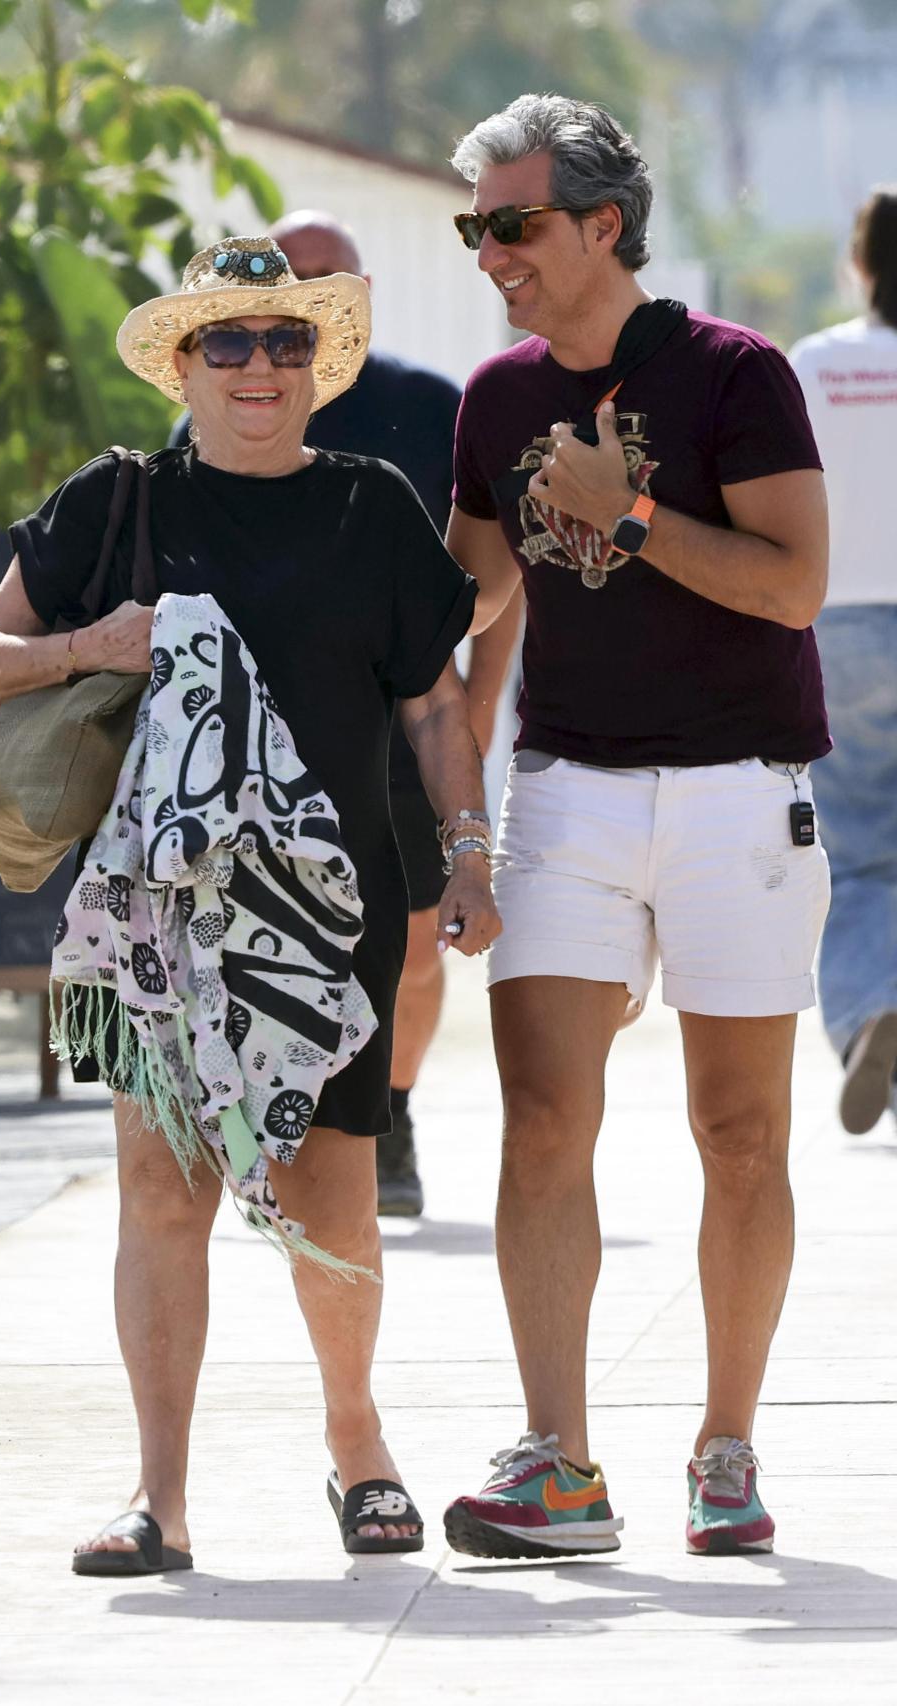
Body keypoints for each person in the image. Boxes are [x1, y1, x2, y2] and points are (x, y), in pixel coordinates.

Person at [0, 234, 500, 1573]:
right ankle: (160, 1497)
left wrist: (472, 854)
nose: (262, 368)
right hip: (154, 916)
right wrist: (96, 641)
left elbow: (434, 704)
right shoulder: (117, 501)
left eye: (287, 342)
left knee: (331, 1192)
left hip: (331, 909)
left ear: (318, 363)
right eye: (232, 343)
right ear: (185, 361)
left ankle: (359, 1442)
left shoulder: (373, 505)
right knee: (163, 1189)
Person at [440, 94, 831, 1560]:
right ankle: (561, 1463)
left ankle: (726, 1444)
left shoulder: (741, 375)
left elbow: (796, 585)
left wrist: (636, 511)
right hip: (572, 791)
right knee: (542, 1115)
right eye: (474, 227)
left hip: (742, 790)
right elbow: (469, 598)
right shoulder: (493, 399)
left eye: (515, 224)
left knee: (739, 1135)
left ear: (605, 224)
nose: (492, 253)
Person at [173, 210, 521, 1218]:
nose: (278, 342)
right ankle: (270, 1119)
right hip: (246, 749)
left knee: (413, 948)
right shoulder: (213, 409)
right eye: (283, 285)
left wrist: (483, 700)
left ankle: (393, 1109)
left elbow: (495, 574)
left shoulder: (430, 407)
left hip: (402, 729)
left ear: (356, 299)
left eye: (322, 288)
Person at [789, 187, 897, 1137]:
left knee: (858, 854)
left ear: (860, 265)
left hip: (842, 622)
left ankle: (870, 1010)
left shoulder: (815, 366)